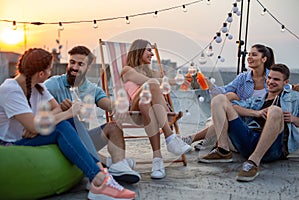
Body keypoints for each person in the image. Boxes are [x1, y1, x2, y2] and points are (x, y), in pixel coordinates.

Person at [0, 48, 136, 199]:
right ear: (41, 74)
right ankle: (99, 178)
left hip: (38, 136)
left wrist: (39, 124)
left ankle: (105, 173)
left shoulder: (39, 87)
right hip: (12, 143)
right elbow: (37, 124)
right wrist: (68, 112)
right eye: (49, 69)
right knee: (64, 124)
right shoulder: (11, 89)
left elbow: (53, 111)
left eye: (80, 64)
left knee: (71, 121)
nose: (50, 73)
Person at [45, 45, 140, 184]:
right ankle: (107, 163)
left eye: (80, 64)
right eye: (72, 62)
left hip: (86, 140)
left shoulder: (92, 89)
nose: (75, 67)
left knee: (114, 127)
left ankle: (119, 165)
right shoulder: (53, 84)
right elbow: (37, 108)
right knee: (72, 122)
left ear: (88, 67)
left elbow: (107, 103)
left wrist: (117, 108)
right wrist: (60, 108)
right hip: (61, 139)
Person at [198, 63, 299, 182]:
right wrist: (256, 113)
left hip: (274, 148)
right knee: (220, 99)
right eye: (269, 78)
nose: (271, 81)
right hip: (249, 140)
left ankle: (253, 162)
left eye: (276, 79)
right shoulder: (257, 100)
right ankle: (223, 150)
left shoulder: (294, 98)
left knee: (275, 110)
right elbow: (234, 107)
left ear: (286, 82)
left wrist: (295, 119)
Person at [120, 39, 192, 179]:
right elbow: (146, 82)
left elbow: (162, 86)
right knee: (151, 84)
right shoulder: (127, 70)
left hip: (147, 109)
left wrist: (165, 77)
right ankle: (170, 137)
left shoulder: (153, 72)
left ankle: (157, 160)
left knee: (146, 104)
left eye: (152, 51)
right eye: (148, 50)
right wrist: (175, 81)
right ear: (138, 51)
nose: (152, 54)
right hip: (134, 110)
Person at [183, 44, 275, 150]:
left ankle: (195, 139)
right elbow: (224, 91)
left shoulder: (272, 77)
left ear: (264, 59)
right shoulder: (243, 78)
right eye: (249, 54)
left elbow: (286, 88)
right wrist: (208, 83)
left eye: (254, 55)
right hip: (242, 116)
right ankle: (201, 139)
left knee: (230, 103)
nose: (249, 57)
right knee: (230, 95)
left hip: (260, 119)